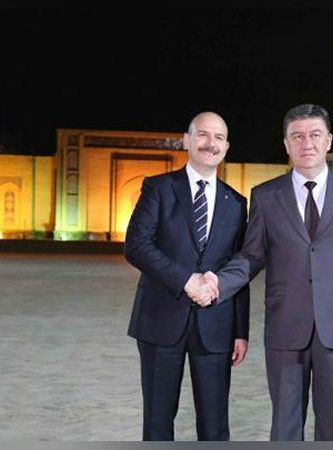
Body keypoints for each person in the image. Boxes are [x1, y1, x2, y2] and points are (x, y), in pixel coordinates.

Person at [205, 104, 333, 440]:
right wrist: (218, 282)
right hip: (285, 325)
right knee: (285, 425)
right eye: (297, 136)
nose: (307, 143)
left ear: (329, 140)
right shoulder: (266, 196)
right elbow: (251, 256)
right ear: (286, 144)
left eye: (315, 134)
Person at [124, 111, 250, 441]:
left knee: (214, 424)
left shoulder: (236, 203)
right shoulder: (159, 188)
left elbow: (239, 267)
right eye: (203, 135)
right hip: (161, 319)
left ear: (226, 147)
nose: (211, 143)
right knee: (158, 421)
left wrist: (240, 330)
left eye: (219, 137)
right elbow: (136, 246)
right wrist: (186, 280)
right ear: (187, 140)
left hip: (216, 326)